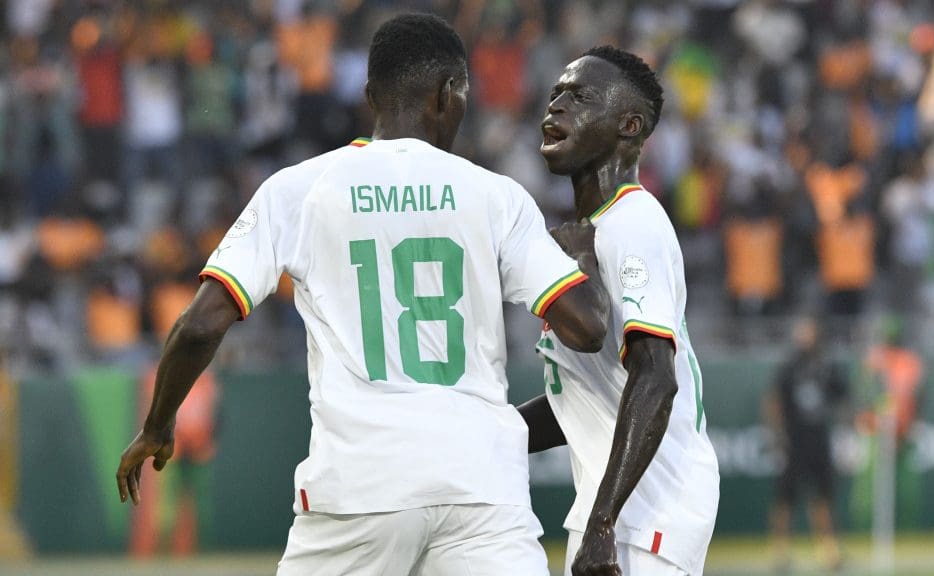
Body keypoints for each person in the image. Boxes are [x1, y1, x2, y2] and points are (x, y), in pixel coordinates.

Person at [115, 14, 610, 576]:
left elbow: (200, 325)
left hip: (361, 484)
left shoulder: (299, 188)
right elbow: (587, 329)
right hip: (480, 485)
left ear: (370, 95)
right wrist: (582, 258)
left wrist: (158, 423)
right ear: (451, 94)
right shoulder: (498, 196)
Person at [518, 46, 719, 576]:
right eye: (557, 92)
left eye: (580, 97)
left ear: (629, 126)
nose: (557, 105)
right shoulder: (596, 229)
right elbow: (583, 393)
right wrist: (495, 434)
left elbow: (656, 377)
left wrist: (605, 523)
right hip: (620, 509)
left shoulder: (633, 221)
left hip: (646, 510)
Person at [764, 317, 846, 572]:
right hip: (794, 440)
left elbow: (842, 397)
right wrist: (777, 436)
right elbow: (774, 401)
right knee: (785, 497)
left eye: (808, 331)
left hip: (818, 439)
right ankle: (780, 551)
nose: (803, 336)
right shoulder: (789, 367)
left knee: (823, 496)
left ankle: (828, 551)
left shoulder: (826, 366)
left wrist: (847, 433)